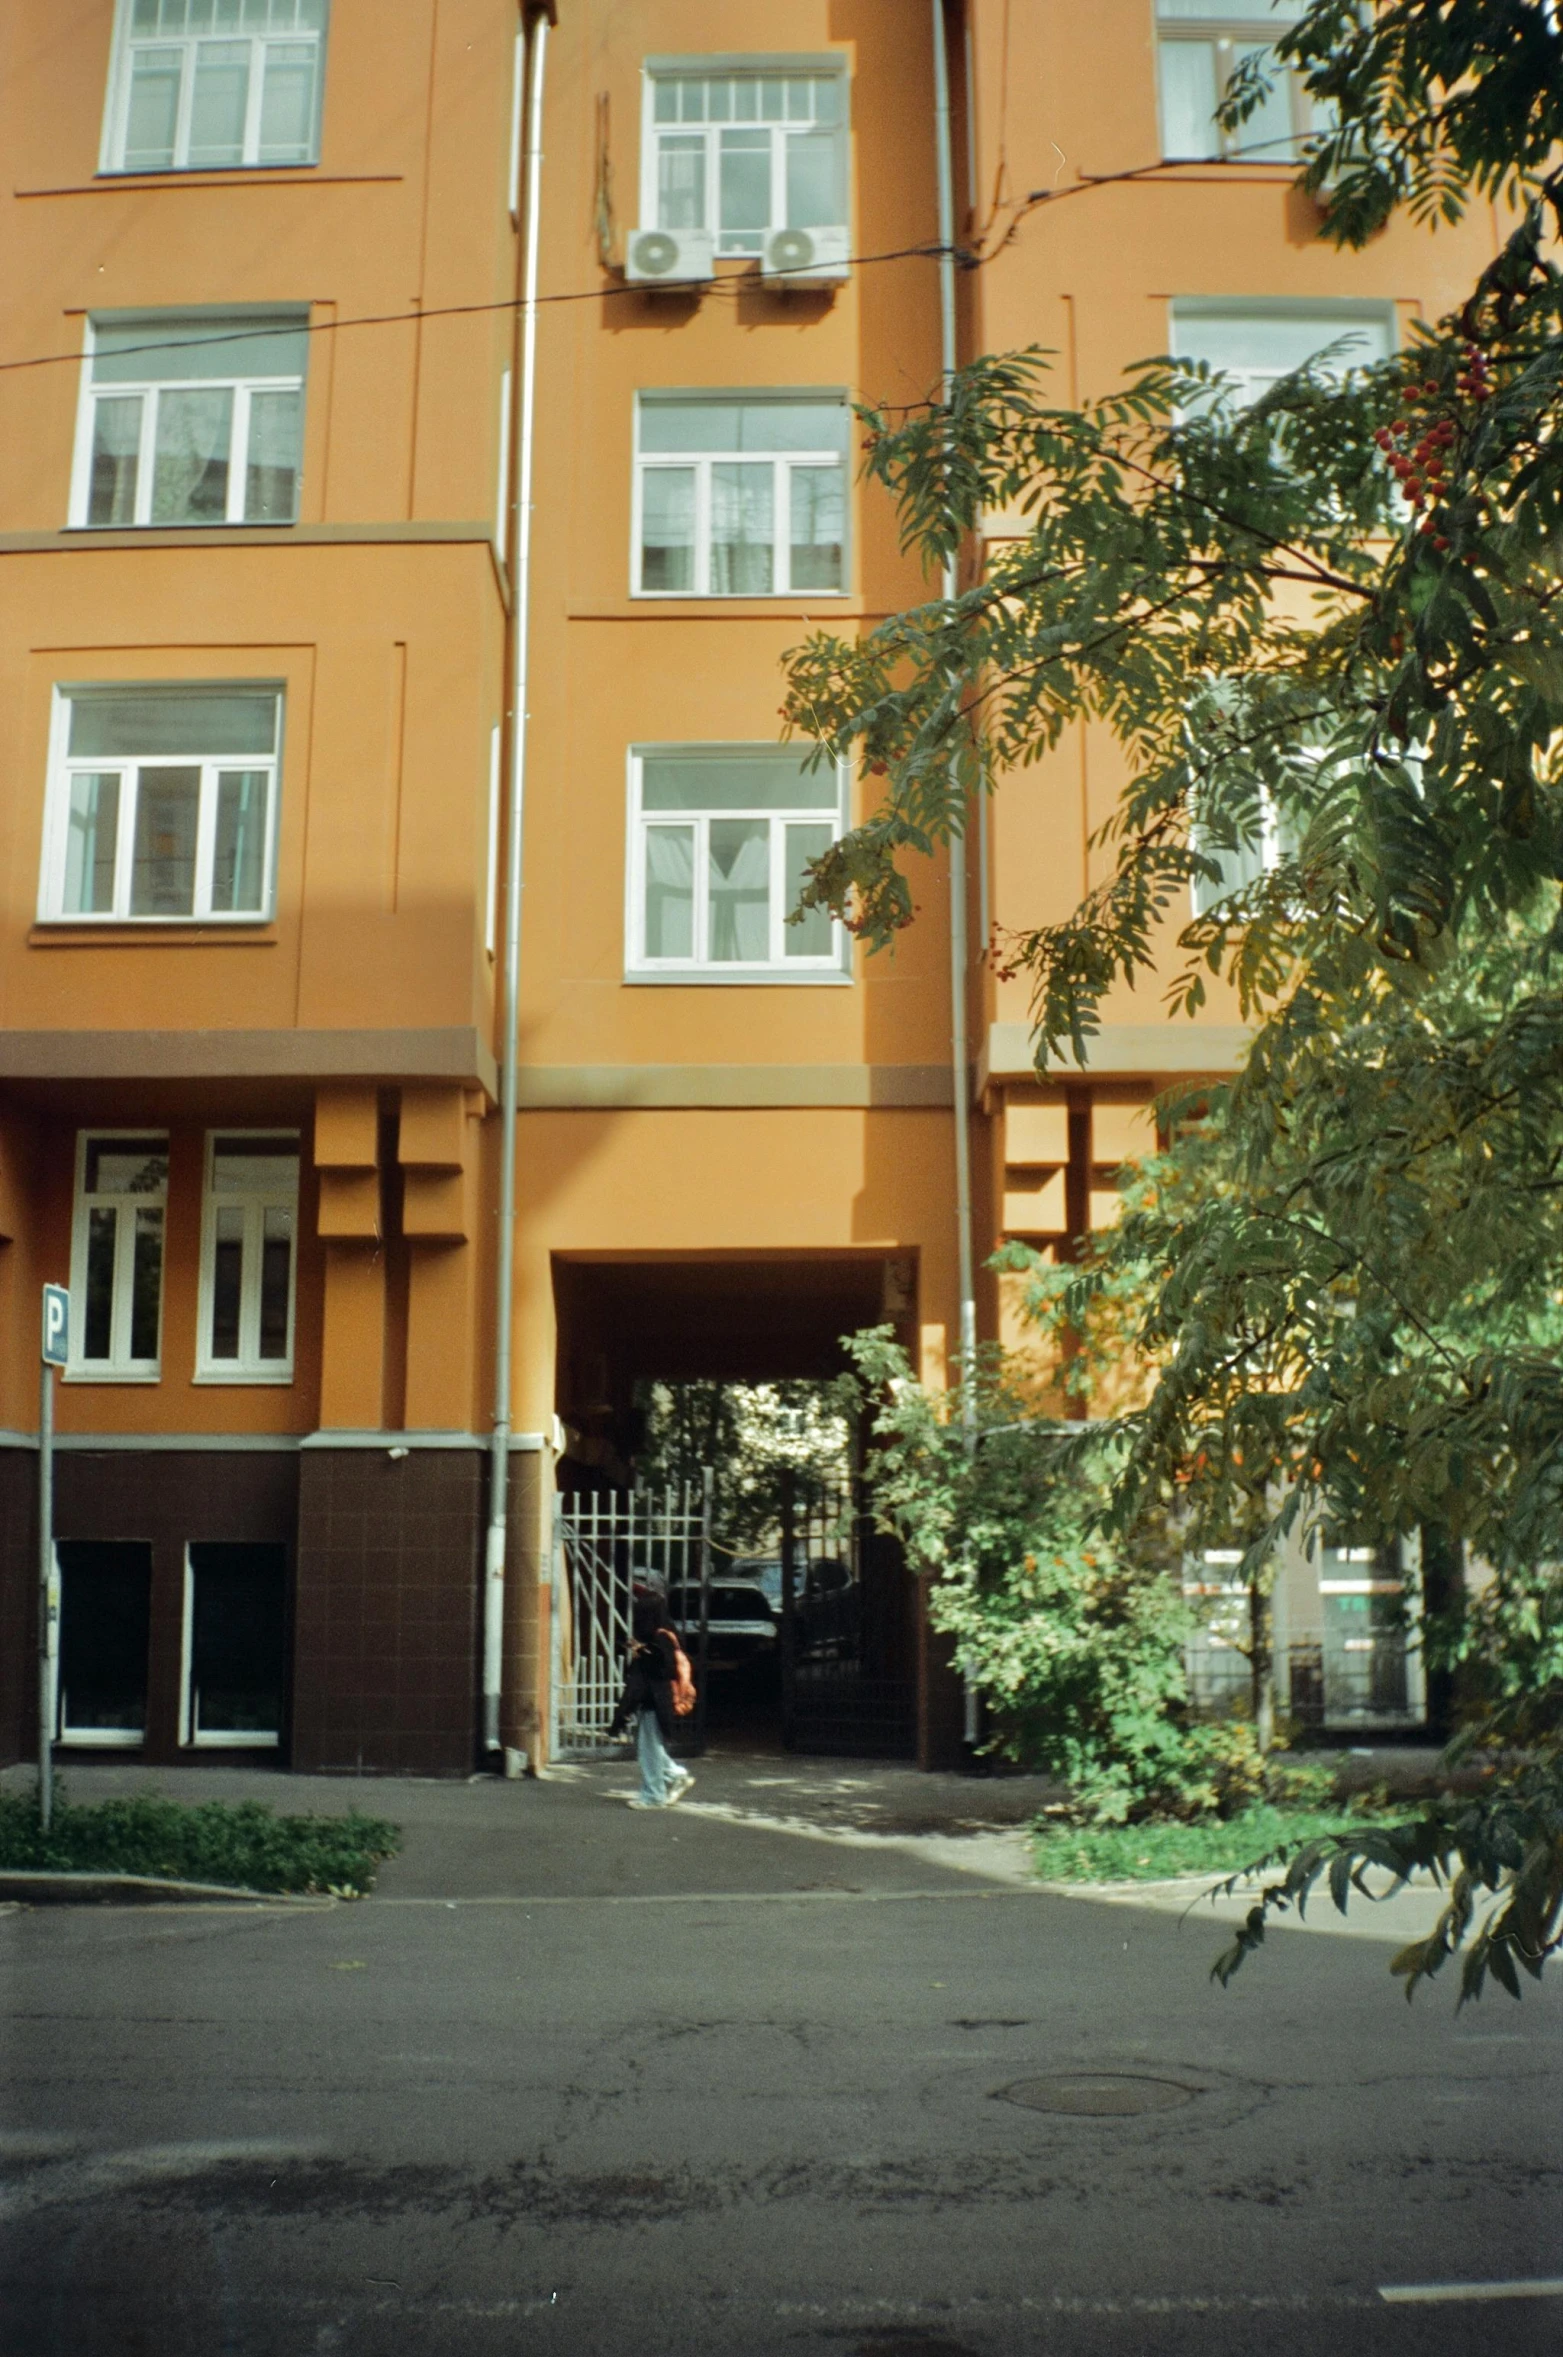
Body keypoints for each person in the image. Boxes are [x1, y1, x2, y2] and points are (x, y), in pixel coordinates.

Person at [609, 1588, 694, 1808]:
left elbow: (663, 1669)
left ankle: (654, 1794)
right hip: (656, 1701)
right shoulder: (665, 1633)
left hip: (656, 1701)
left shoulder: (660, 1637)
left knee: (649, 1749)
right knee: (650, 1745)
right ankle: (675, 1774)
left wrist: (643, 1652)